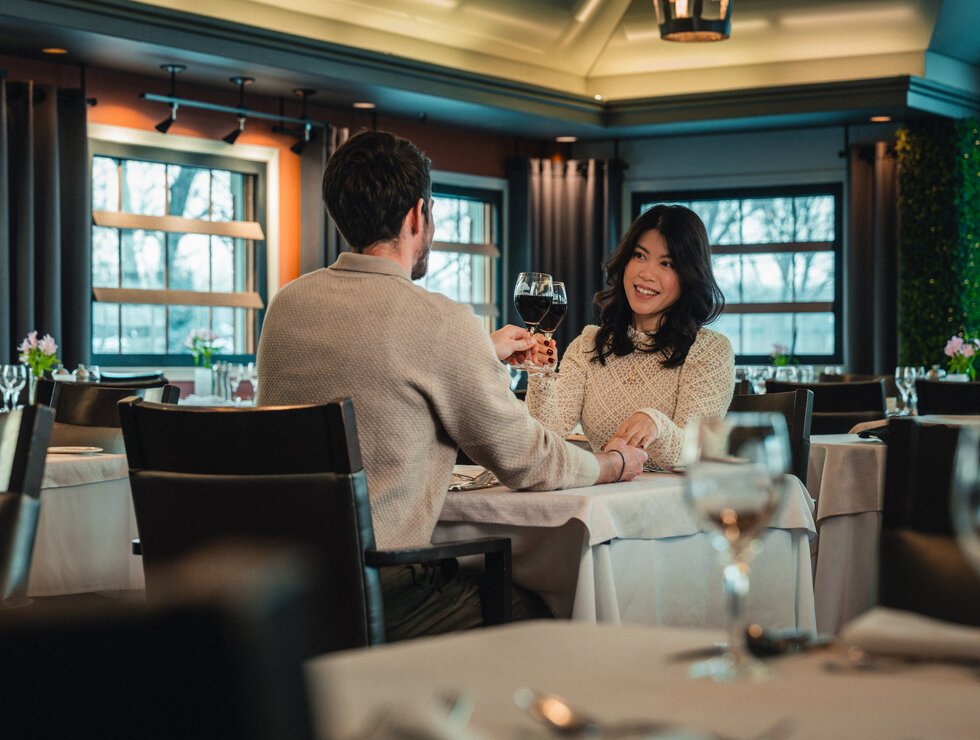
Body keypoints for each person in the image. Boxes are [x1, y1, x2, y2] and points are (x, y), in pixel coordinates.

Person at [256, 129, 646, 641]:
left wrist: (476, 351)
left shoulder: (286, 306)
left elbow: (374, 373)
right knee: (549, 618)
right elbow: (529, 459)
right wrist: (614, 464)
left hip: (279, 589)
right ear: (418, 215)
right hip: (380, 591)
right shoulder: (439, 319)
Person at [526, 204, 734, 472]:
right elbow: (545, 439)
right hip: (605, 497)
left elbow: (695, 453)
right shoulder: (589, 345)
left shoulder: (709, 350)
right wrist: (540, 374)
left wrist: (655, 423)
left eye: (667, 263)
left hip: (679, 504)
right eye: (639, 255)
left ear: (689, 275)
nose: (646, 274)